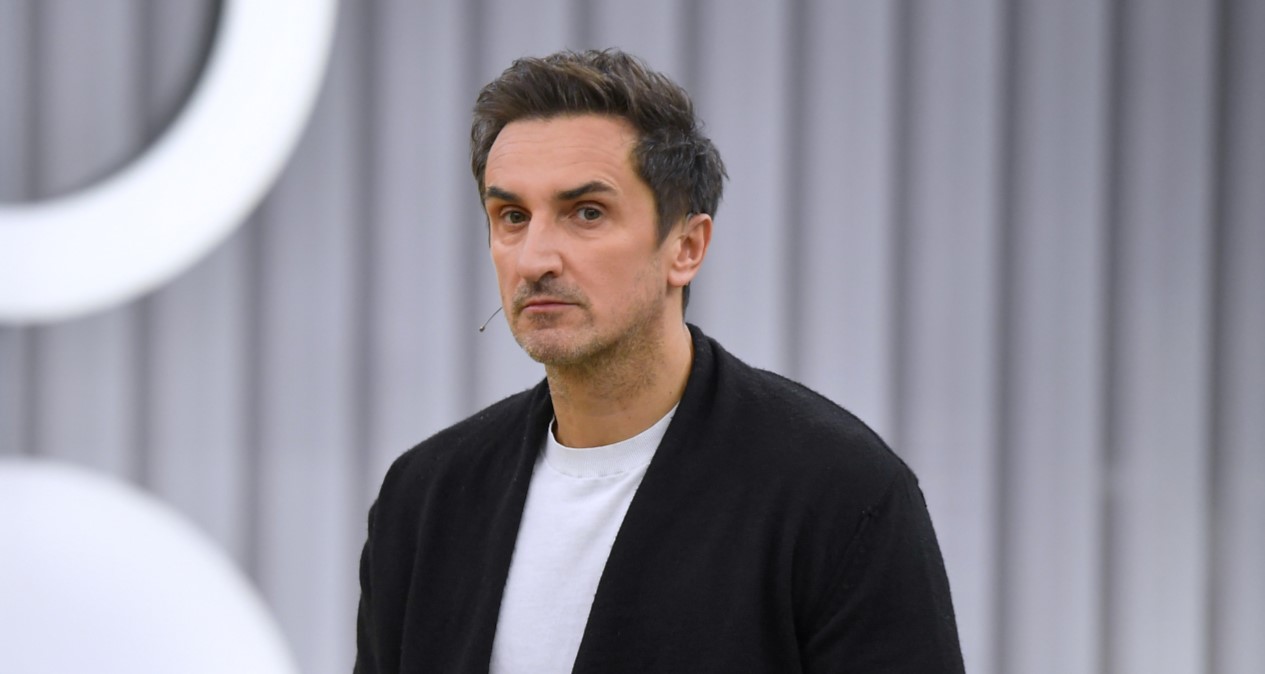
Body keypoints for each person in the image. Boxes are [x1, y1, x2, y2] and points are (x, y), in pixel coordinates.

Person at [355, 49, 963, 673]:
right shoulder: (423, 500)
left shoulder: (838, 494)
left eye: (586, 213)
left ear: (687, 247)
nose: (535, 259)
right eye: (512, 216)